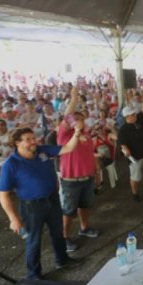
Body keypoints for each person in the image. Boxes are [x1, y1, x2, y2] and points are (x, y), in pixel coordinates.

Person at [0, 127, 82, 279]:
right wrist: (13, 218)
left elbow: (68, 148)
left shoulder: (42, 150)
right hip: (31, 206)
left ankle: (62, 260)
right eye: (28, 139)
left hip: (52, 199)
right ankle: (34, 275)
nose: (33, 141)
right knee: (33, 240)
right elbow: (3, 195)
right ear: (17, 143)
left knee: (58, 232)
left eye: (33, 138)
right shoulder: (10, 165)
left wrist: (76, 132)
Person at [57, 89, 100, 253]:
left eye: (82, 119)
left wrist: (95, 173)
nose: (79, 122)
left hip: (87, 178)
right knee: (68, 211)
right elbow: (67, 116)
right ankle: (64, 236)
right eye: (76, 119)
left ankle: (84, 228)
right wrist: (74, 98)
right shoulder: (65, 135)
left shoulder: (87, 136)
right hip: (70, 180)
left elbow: (90, 155)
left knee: (85, 205)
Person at [117, 93, 143, 202]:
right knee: (135, 176)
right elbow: (122, 143)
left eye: (134, 113)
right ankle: (135, 193)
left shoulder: (139, 122)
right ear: (126, 117)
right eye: (132, 114)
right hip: (135, 157)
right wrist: (125, 149)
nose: (134, 115)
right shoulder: (123, 130)